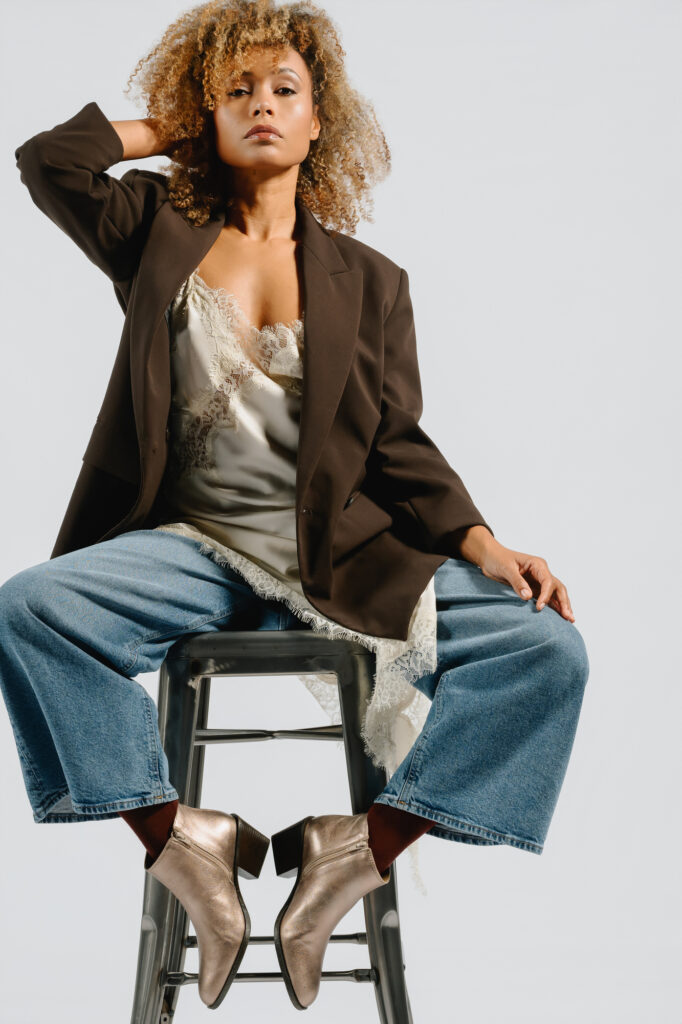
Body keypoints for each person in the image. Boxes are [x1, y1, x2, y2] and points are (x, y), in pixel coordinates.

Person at [1, 0, 589, 1012]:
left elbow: (397, 438)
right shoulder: (155, 229)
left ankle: (354, 853)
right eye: (238, 91)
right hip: (189, 548)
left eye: (285, 91)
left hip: (345, 554)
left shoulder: (372, 281)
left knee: (548, 651)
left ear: (323, 120)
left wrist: (483, 542)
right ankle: (183, 842)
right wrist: (176, 127)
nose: (262, 106)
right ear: (206, 113)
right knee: (28, 607)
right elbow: (51, 159)